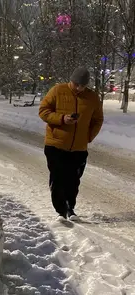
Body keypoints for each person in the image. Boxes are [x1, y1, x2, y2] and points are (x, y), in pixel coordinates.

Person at [38, 67, 104, 221]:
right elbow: (43, 111)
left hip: (79, 147)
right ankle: (60, 211)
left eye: (83, 85)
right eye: (77, 84)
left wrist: (88, 137)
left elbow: (98, 120)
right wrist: (62, 119)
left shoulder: (92, 97)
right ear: (71, 81)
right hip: (56, 145)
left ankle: (70, 208)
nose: (79, 88)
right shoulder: (57, 90)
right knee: (58, 177)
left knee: (73, 180)